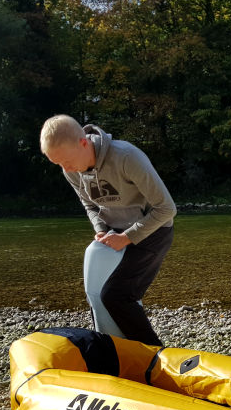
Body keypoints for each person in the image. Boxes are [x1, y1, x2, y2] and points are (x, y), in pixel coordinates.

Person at [40, 115, 176, 346]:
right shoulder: (71, 168)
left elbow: (166, 209)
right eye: (58, 164)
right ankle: (119, 350)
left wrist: (127, 238)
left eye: (67, 161)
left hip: (153, 232)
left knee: (116, 296)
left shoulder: (126, 157)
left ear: (84, 143)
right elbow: (90, 205)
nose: (66, 169)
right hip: (114, 232)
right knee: (98, 296)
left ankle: (156, 355)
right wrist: (101, 228)